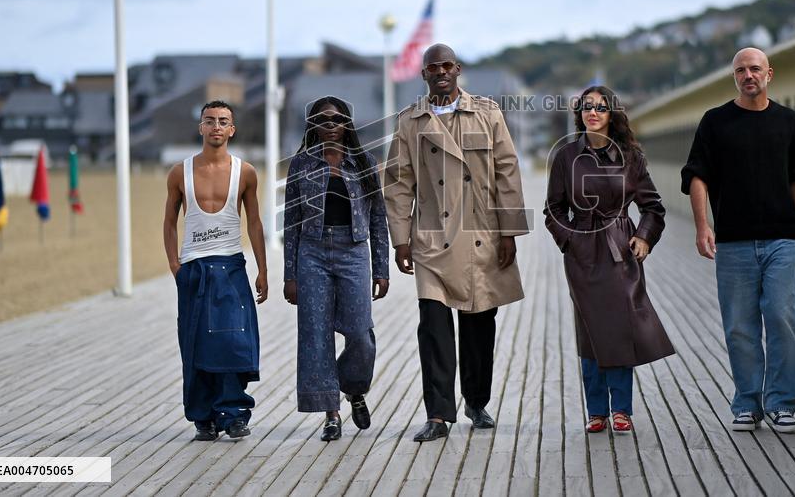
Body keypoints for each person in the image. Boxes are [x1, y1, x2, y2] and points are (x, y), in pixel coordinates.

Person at [384, 43, 530, 442]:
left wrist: (510, 232)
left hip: (482, 233)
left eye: (447, 65)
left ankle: (476, 400)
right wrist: (400, 240)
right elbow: (398, 184)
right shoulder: (410, 122)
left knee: (480, 325)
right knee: (432, 327)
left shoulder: (487, 113)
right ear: (424, 74)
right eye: (433, 67)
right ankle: (438, 415)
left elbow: (507, 172)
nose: (441, 72)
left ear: (458, 69)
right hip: (431, 237)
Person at [681, 47, 795, 434]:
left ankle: (783, 403)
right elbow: (697, 176)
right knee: (739, 324)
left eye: (755, 69)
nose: (748, 75)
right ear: (734, 77)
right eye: (741, 70)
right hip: (734, 241)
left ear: (769, 74)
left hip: (780, 239)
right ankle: (747, 404)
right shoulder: (715, 121)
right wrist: (703, 226)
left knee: (783, 318)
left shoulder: (787, 120)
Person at [545, 86, 675, 434]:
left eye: (600, 108)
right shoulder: (566, 157)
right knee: (589, 331)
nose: (593, 112)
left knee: (620, 329)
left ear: (611, 114)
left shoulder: (631, 157)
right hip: (583, 253)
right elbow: (553, 210)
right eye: (587, 107)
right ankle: (597, 411)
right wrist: (570, 240)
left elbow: (653, 207)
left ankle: (621, 409)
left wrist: (644, 236)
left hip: (620, 252)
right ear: (580, 114)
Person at [282, 96, 389, 442]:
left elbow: (377, 218)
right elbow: (292, 222)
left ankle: (353, 387)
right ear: (313, 125)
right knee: (316, 335)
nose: (330, 125)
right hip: (312, 253)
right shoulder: (301, 164)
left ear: (347, 125)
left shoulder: (364, 161)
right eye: (323, 120)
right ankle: (331, 413)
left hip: (353, 251)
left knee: (360, 333)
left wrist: (380, 268)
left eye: (337, 119)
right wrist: (290, 275)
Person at [163, 100, 268, 441]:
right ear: (201, 127)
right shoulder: (180, 172)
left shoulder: (246, 172)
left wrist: (262, 269)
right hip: (194, 267)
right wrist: (175, 266)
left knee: (235, 341)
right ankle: (203, 417)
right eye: (210, 121)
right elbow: (168, 222)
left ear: (232, 129)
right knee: (195, 344)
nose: (217, 127)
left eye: (223, 121)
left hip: (232, 265)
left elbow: (254, 222)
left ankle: (235, 413)